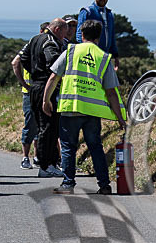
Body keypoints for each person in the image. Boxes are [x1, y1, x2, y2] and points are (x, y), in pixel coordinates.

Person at [42, 19, 126, 195]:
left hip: (70, 108)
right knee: (95, 147)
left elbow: (53, 78)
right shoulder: (104, 58)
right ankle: (104, 185)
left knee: (68, 147)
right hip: (92, 112)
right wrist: (120, 118)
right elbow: (112, 92)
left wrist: (46, 100)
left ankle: (68, 184)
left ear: (82, 34)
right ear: (99, 36)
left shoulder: (71, 51)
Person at [14, 18, 68, 177]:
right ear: (58, 29)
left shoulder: (34, 39)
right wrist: (47, 74)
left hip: (35, 86)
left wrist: (33, 73)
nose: (66, 36)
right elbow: (53, 62)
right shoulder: (50, 42)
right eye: (64, 32)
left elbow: (22, 58)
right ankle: (45, 166)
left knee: (44, 125)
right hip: (47, 86)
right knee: (48, 126)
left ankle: (49, 163)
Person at [12, 22, 48, 169]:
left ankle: (37, 156)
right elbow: (15, 63)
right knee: (30, 125)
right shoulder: (31, 45)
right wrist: (24, 84)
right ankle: (25, 157)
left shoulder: (47, 47)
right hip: (30, 93)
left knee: (41, 126)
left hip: (43, 92)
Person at [77, 0, 119, 70]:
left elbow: (111, 36)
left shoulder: (109, 14)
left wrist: (115, 55)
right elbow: (79, 34)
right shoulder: (87, 11)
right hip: (90, 57)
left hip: (105, 56)